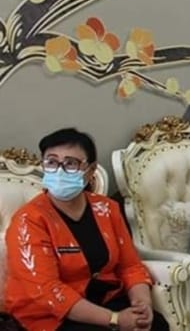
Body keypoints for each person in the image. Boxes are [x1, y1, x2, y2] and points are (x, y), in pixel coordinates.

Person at [4, 128, 169, 331]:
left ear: (90, 171)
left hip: (103, 299)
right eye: (52, 162)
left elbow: (130, 266)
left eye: (71, 164)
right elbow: (47, 290)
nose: (60, 171)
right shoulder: (28, 220)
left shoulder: (106, 208)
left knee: (156, 324)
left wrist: (142, 306)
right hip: (50, 314)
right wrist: (115, 319)